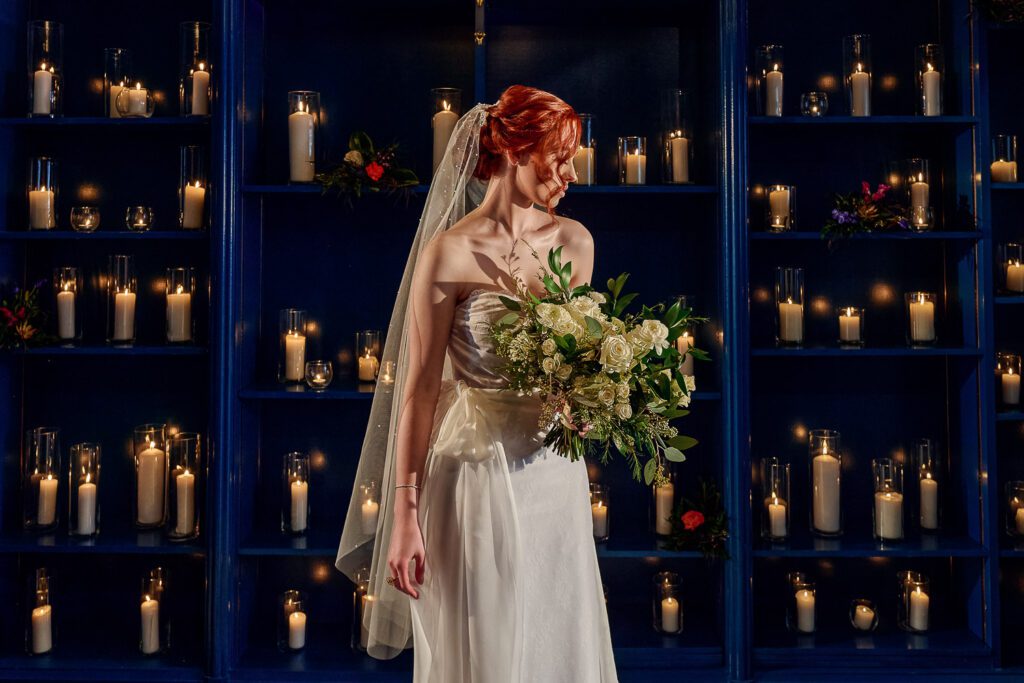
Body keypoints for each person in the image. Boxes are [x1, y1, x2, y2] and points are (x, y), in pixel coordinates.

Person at [336, 84, 618, 682]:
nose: (571, 173)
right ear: (516, 150)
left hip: (553, 474)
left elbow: (572, 366)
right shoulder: (449, 253)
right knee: (483, 651)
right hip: (472, 470)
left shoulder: (576, 242)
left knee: (555, 637)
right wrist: (404, 517)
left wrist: (587, 403)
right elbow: (419, 389)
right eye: (559, 156)